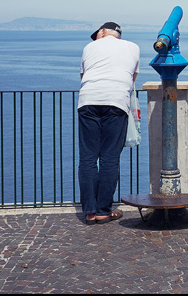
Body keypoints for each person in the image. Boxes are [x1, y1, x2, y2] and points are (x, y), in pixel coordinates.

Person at [77, 21, 140, 225]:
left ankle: (89, 211)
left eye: (97, 34)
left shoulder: (89, 47)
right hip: (116, 102)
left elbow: (83, 76)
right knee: (110, 158)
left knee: (88, 158)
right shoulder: (133, 48)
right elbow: (132, 78)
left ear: (103, 32)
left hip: (88, 101)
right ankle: (104, 211)